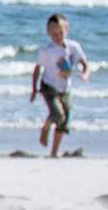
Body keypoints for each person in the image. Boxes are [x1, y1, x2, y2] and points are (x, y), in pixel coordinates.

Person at [31, 12, 90, 157]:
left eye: (60, 33)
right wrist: (34, 89)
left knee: (64, 122)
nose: (57, 37)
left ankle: (53, 153)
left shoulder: (74, 47)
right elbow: (37, 69)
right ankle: (45, 128)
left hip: (65, 88)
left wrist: (85, 74)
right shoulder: (47, 51)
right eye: (54, 34)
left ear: (67, 30)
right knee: (58, 114)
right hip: (49, 86)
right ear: (48, 33)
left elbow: (84, 63)